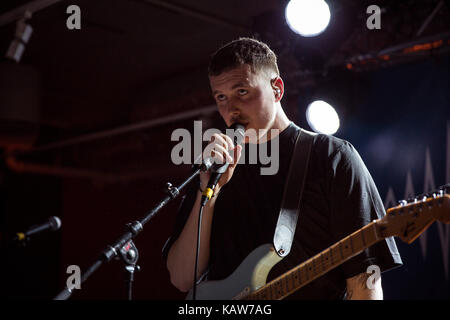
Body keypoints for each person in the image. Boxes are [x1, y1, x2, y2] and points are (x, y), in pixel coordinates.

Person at [162, 37, 402, 300]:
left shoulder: (330, 157)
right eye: (221, 97)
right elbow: (181, 277)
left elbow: (365, 278)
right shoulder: (215, 165)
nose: (230, 109)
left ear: (277, 89)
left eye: (242, 92)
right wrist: (208, 192)